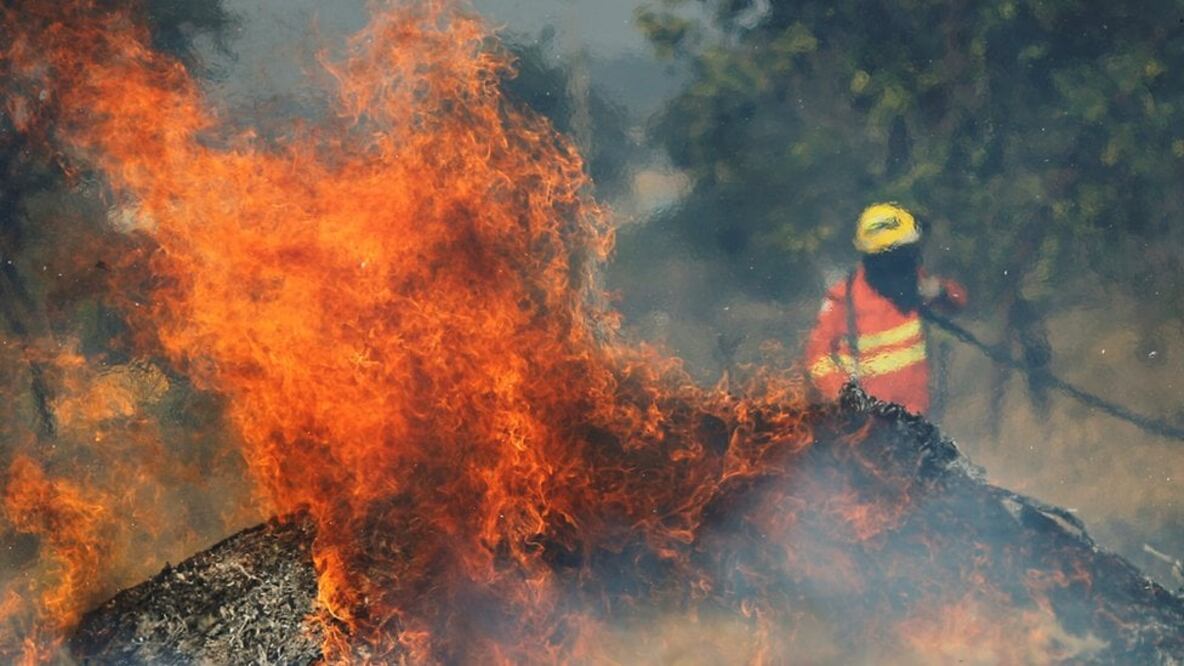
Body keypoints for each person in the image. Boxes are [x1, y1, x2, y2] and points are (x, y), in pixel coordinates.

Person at [804, 203, 966, 415]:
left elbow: (958, 302)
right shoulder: (843, 298)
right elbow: (817, 358)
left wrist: (942, 291)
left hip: (916, 415)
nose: (911, 258)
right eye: (904, 252)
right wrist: (845, 397)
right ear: (881, 256)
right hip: (869, 423)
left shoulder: (913, 281)